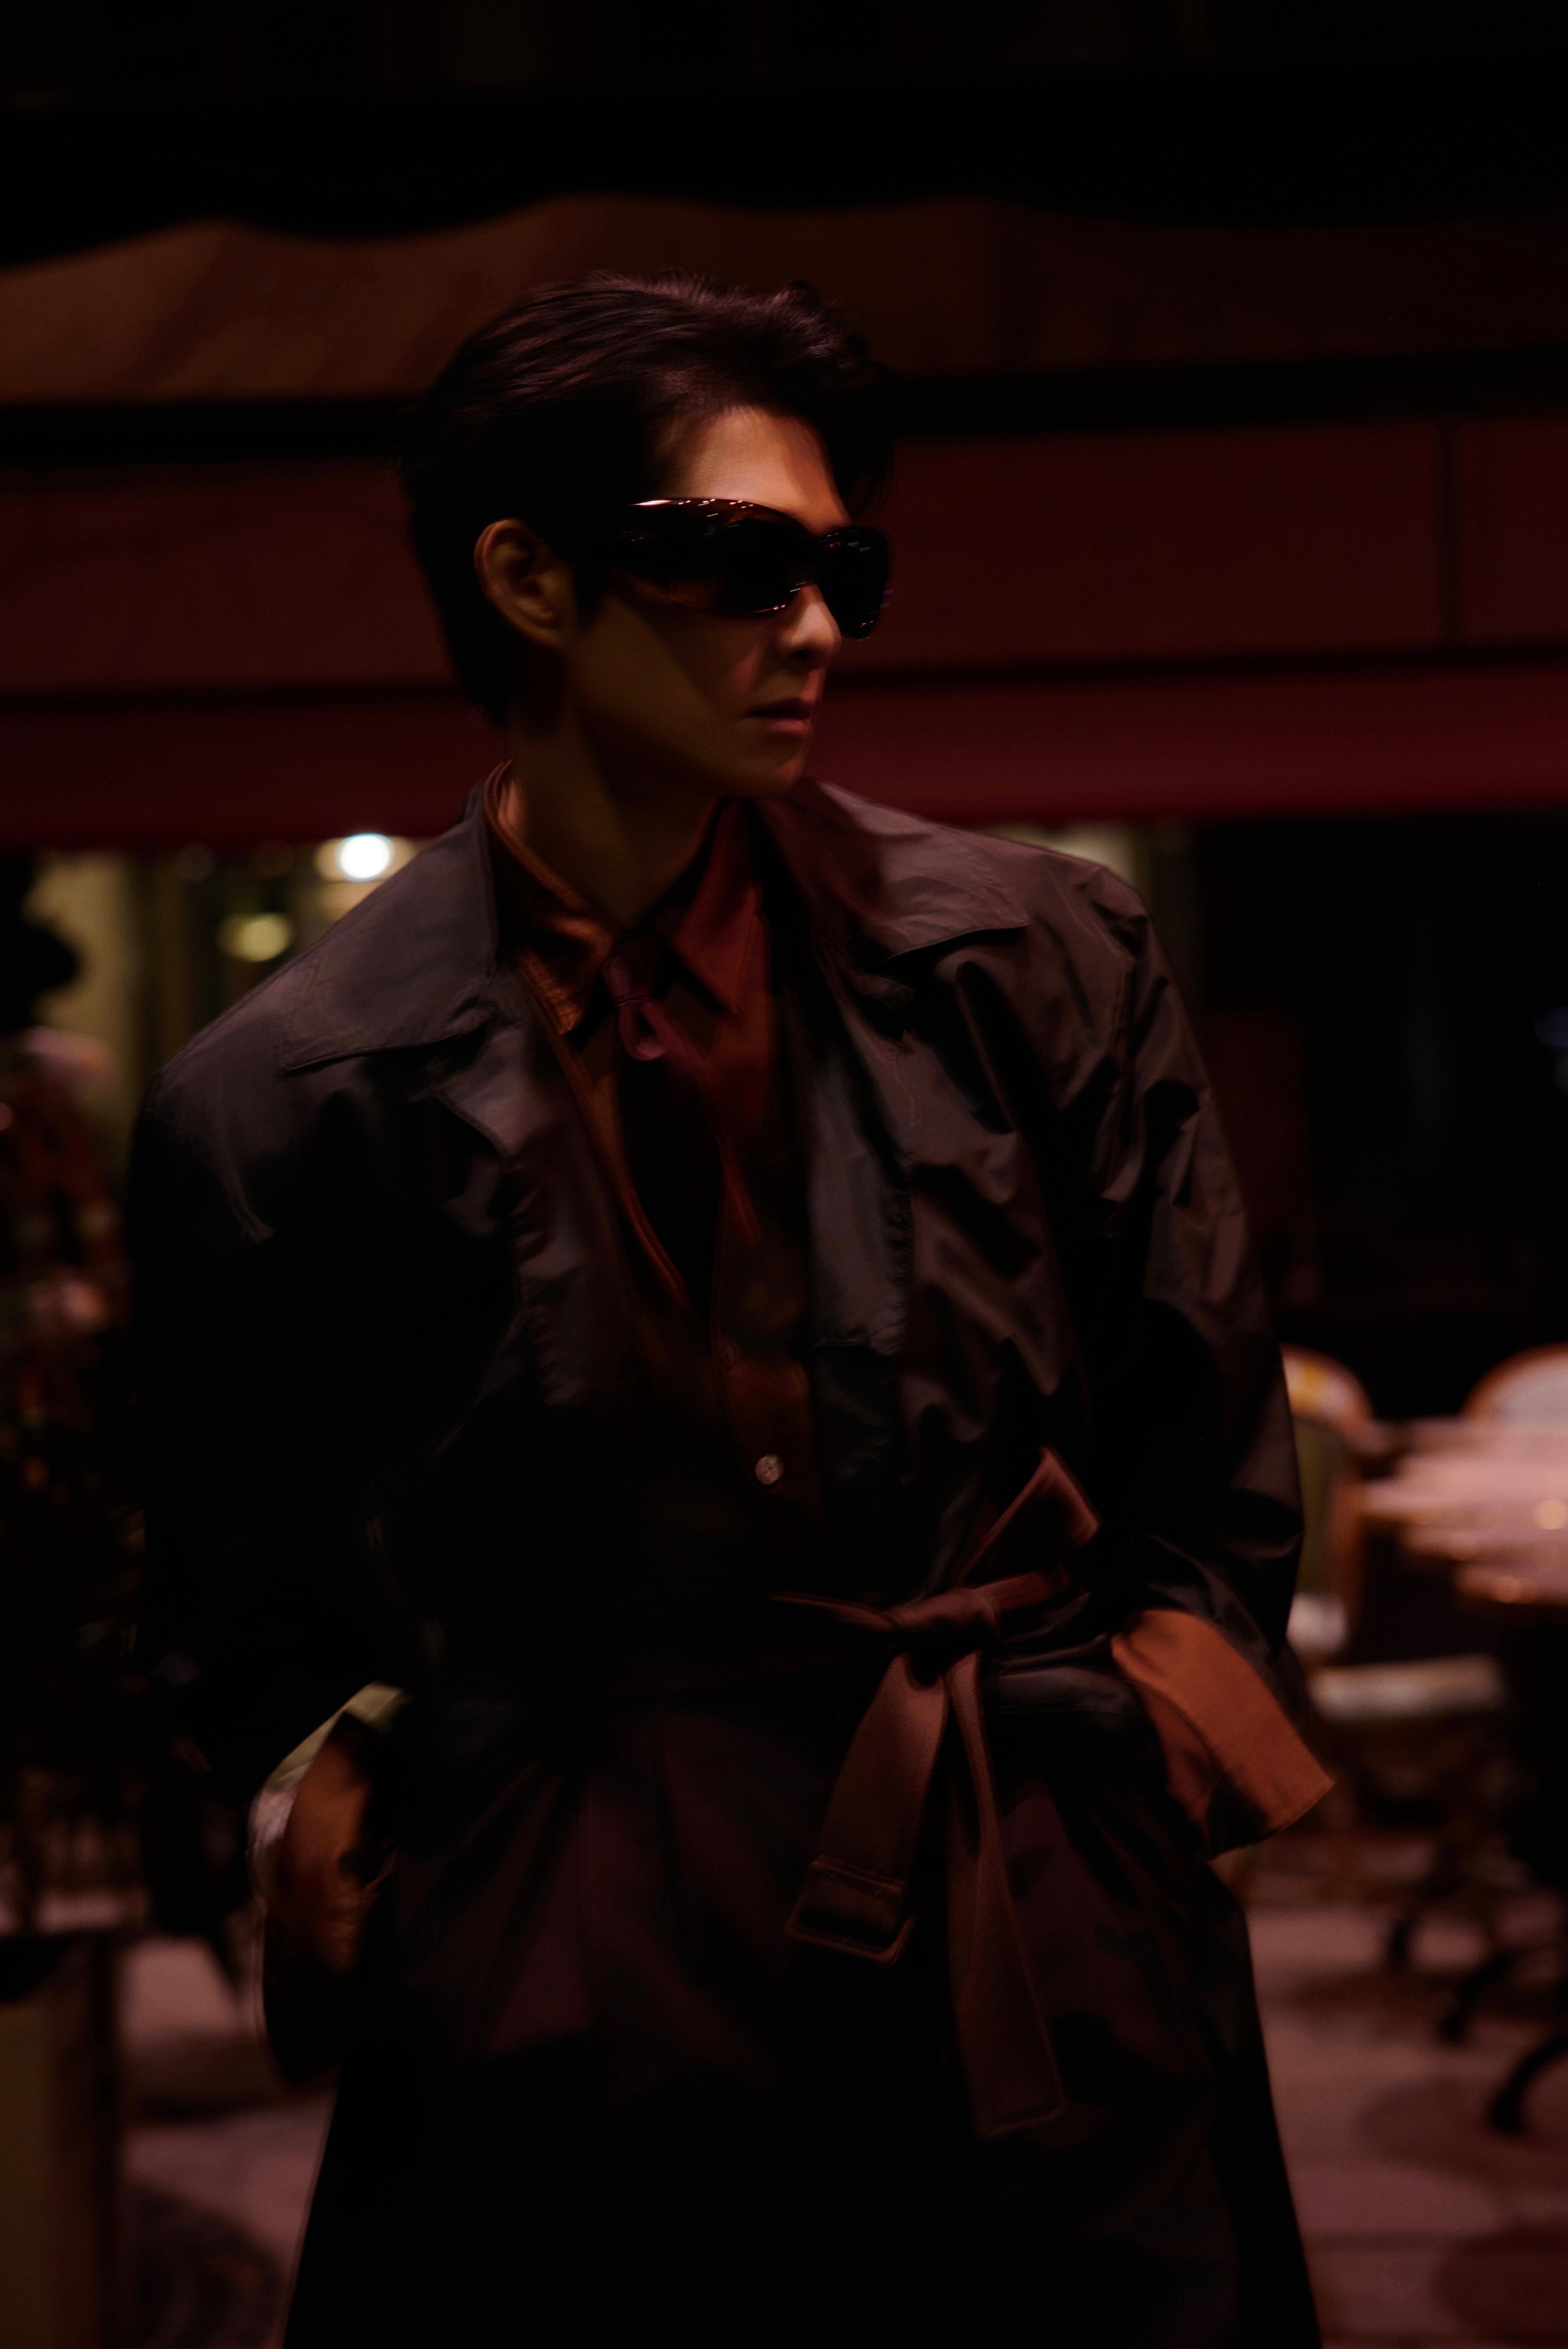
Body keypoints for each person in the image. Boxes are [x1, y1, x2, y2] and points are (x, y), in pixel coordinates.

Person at [131, 273, 1329, 2347]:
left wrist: (1133, 1786)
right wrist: (376, 1812)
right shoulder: (286, 1090)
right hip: (575, 1924)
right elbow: (240, 1597)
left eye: (842, 570)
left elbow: (1206, 1459)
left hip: (1018, 1883)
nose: (816, 628)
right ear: (527, 577)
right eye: (741, 566)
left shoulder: (1036, 960)